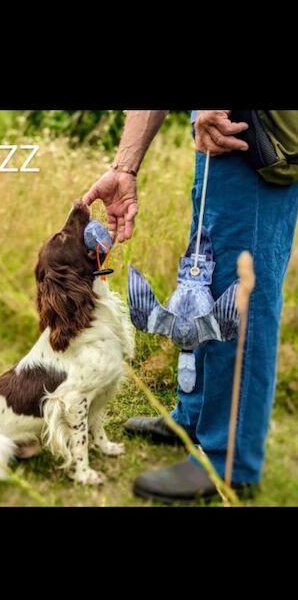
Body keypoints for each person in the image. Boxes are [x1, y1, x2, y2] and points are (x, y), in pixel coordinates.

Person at [83, 110, 298, 503]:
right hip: (219, 135)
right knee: (204, 272)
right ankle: (197, 417)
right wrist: (124, 168)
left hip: (253, 134)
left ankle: (228, 460)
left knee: (239, 289)